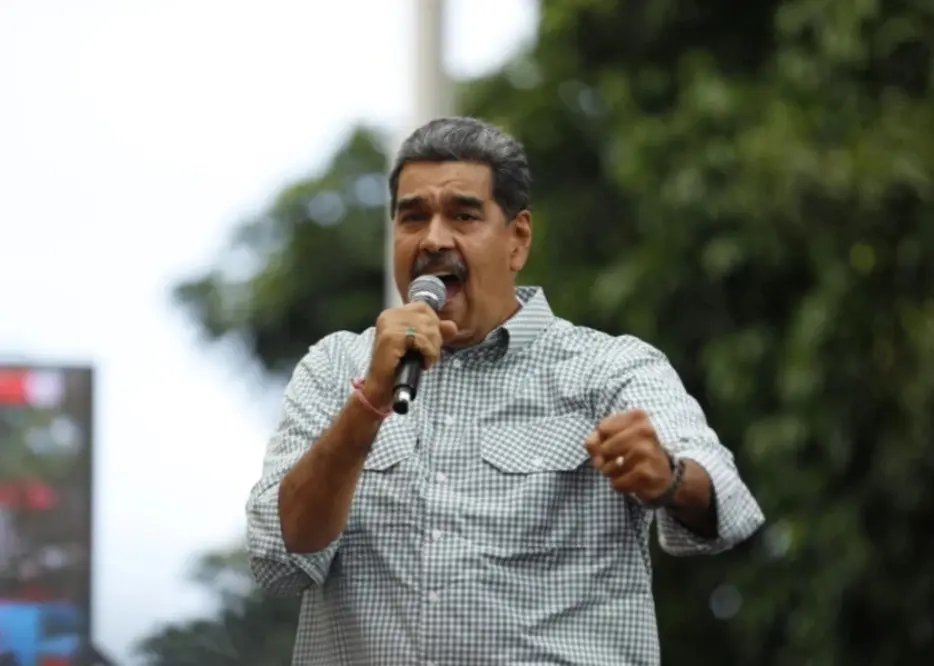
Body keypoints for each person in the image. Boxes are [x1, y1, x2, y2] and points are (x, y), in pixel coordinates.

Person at [246, 116, 765, 666]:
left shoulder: (608, 368)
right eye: (412, 217)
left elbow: (727, 503)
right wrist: (368, 406)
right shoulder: (333, 369)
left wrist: (670, 477)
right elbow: (280, 558)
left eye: (463, 215)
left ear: (517, 240)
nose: (433, 239)